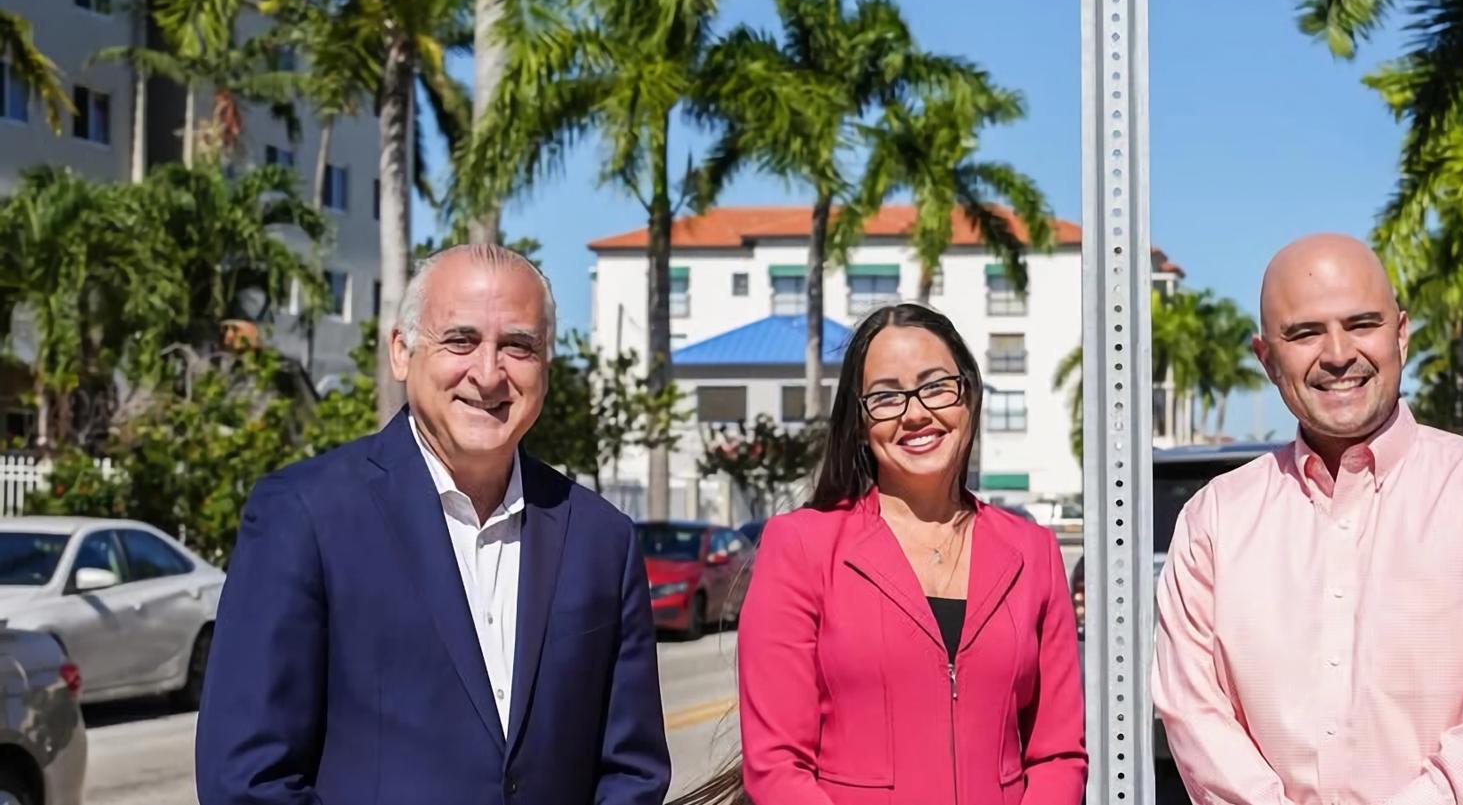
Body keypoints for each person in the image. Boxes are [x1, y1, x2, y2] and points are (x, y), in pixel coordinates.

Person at [195, 244, 671, 805]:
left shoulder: (602, 540)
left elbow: (631, 772)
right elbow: (247, 779)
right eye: (461, 341)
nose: (489, 373)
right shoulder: (304, 516)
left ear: (546, 365)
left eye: (518, 346)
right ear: (402, 351)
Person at [1152, 233, 1463, 805]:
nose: (1338, 353)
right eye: (1305, 332)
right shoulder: (1213, 522)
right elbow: (1195, 714)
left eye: (1361, 324)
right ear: (1266, 358)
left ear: (1401, 334)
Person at [679, 302, 1086, 805]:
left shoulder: (1033, 552)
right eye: (887, 397)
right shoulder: (801, 546)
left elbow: (1057, 756)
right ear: (860, 421)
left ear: (969, 396)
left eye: (937, 385)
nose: (916, 413)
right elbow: (777, 764)